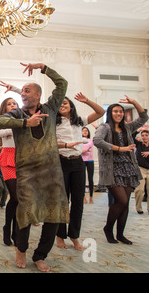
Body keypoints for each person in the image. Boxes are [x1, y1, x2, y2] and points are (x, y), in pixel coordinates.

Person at [0, 62, 69, 272]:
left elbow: (62, 83)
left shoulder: (50, 108)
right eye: (23, 92)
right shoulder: (17, 114)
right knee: (25, 212)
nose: (23, 94)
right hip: (26, 172)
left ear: (38, 95)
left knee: (53, 216)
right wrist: (25, 124)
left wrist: (44, 67)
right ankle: (21, 248)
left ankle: (40, 255)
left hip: (52, 172)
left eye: (27, 91)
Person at [93, 97, 148, 245]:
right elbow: (97, 141)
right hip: (112, 168)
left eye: (121, 111)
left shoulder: (127, 127)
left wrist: (134, 102)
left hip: (128, 167)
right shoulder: (104, 127)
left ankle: (120, 234)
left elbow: (144, 117)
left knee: (125, 204)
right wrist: (119, 148)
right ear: (110, 113)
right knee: (121, 200)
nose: (119, 114)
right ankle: (108, 229)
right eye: (115, 111)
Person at [55, 94, 105, 251]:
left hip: (78, 162)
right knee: (62, 201)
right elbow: (50, 144)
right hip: (61, 162)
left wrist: (88, 100)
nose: (62, 105)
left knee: (77, 202)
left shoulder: (79, 121)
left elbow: (100, 112)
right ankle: (60, 235)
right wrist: (67, 145)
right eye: (60, 104)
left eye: (65, 103)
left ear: (71, 105)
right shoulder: (54, 123)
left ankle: (74, 236)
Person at [0, 88, 20, 246]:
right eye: (9, 104)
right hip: (8, 157)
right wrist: (16, 127)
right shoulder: (2, 120)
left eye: (15, 103)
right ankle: (7, 228)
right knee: (15, 196)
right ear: (5, 108)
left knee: (20, 199)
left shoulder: (24, 119)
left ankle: (16, 231)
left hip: (23, 158)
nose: (13, 105)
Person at [133, 129, 149, 216]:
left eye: (146, 135)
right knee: (139, 189)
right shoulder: (139, 145)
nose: (144, 137)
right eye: (143, 135)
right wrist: (137, 130)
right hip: (141, 169)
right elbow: (132, 136)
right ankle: (138, 208)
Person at [81, 127, 95, 203]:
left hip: (90, 161)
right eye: (83, 131)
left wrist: (96, 126)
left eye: (86, 130)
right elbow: (78, 151)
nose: (85, 132)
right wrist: (85, 151)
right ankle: (83, 197)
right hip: (82, 161)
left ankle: (91, 197)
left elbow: (99, 135)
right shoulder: (79, 140)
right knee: (82, 179)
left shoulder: (91, 140)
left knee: (90, 179)